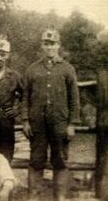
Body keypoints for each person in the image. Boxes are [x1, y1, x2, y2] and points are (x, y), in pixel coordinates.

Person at [22, 29, 79, 201]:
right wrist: (25, 120)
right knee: (36, 160)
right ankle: (34, 197)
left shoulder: (67, 69)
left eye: (52, 43)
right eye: (46, 43)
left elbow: (74, 98)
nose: (49, 47)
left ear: (58, 45)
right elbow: (25, 98)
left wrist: (72, 124)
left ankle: (59, 198)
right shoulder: (32, 69)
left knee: (60, 160)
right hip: (37, 124)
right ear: (41, 45)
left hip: (60, 123)